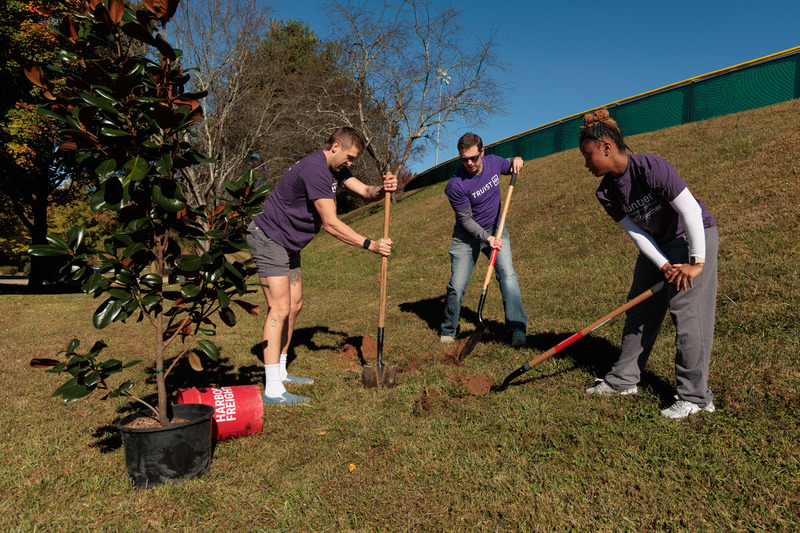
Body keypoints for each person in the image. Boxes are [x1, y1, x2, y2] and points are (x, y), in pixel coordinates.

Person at [578, 108, 718, 419]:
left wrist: (695, 262)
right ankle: (623, 380)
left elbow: (690, 212)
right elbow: (637, 233)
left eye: (588, 156)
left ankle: (695, 397)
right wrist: (663, 264)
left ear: (606, 147)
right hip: (656, 245)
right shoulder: (606, 192)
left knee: (687, 313)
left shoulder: (650, 167)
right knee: (638, 309)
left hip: (691, 237)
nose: (586, 164)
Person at [247, 127, 397, 405]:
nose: (350, 163)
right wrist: (370, 244)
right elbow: (331, 224)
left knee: (295, 305)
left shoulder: (334, 170)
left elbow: (365, 191)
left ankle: (281, 373)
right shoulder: (316, 170)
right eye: (349, 157)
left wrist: (381, 188)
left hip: (288, 243)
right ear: (336, 146)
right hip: (269, 239)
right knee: (279, 307)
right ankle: (272, 389)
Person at [439, 132, 528, 347]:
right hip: (466, 237)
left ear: (482, 152)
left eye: (473, 157)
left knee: (508, 276)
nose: (469, 163)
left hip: (496, 229)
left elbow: (509, 165)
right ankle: (448, 331)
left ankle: (517, 329)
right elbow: (466, 220)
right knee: (457, 286)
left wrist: (516, 160)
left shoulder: (493, 162)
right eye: (464, 159)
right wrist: (486, 238)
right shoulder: (455, 185)